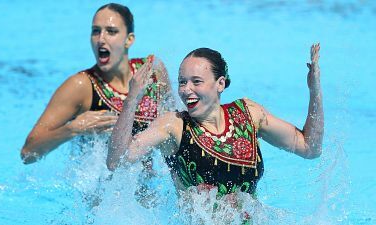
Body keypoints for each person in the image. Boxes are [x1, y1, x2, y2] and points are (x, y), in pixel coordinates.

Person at [107, 44, 323, 222]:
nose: (186, 90)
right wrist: (131, 100)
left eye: (196, 81)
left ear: (220, 84)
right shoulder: (174, 126)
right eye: (182, 82)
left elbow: (309, 147)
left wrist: (315, 91)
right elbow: (116, 160)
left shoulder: (249, 114)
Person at [20, 3, 173, 164]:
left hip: (151, 188)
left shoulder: (152, 72)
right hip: (102, 188)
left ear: (129, 40)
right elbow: (28, 152)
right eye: (96, 31)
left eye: (111, 32)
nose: (101, 39)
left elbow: (174, 126)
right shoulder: (81, 86)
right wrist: (72, 129)